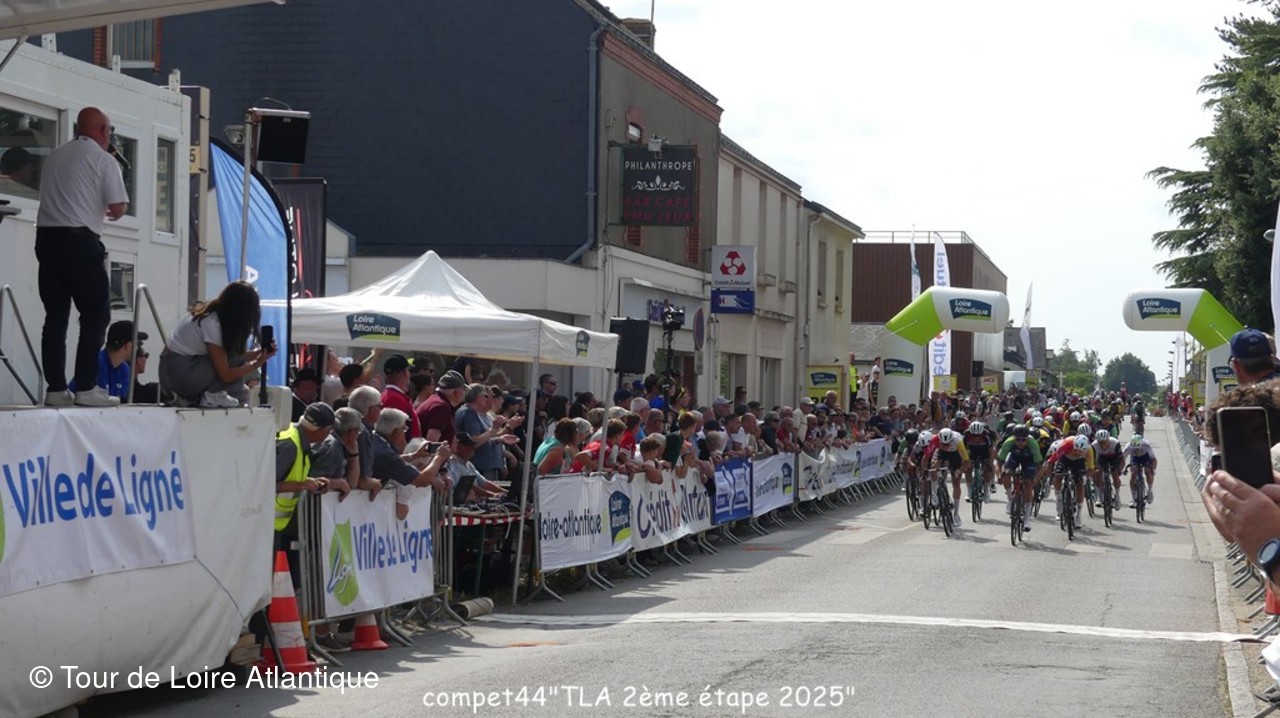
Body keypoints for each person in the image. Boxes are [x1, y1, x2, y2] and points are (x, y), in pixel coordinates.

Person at [37, 107, 129, 408]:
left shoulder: (54, 156)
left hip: (47, 240)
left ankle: (55, 388)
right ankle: (87, 386)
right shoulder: (104, 160)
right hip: (80, 242)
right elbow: (118, 208)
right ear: (103, 131)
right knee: (95, 316)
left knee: (55, 317)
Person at [160, 281, 274, 408]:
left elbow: (232, 358)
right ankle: (219, 396)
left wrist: (259, 354)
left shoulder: (211, 316)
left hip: (173, 372)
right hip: (180, 374)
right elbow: (225, 374)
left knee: (233, 352)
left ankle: (216, 395)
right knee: (233, 351)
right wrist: (257, 364)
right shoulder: (213, 324)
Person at [69, 319, 147, 399]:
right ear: (128, 346)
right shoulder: (96, 364)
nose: (137, 348)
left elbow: (119, 400)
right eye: (137, 344)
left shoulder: (125, 369)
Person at [380, 354, 421, 438]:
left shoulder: (387, 396)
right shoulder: (396, 399)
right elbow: (398, 435)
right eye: (408, 370)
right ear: (405, 372)